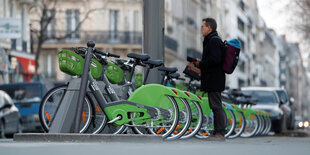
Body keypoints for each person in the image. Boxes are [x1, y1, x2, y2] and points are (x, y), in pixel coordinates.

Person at [194, 18, 226, 140]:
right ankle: (217, 131)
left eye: (203, 26)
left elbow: (215, 59)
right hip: (213, 78)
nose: (201, 29)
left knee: (216, 106)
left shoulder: (214, 41)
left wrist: (201, 64)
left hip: (215, 78)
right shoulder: (212, 40)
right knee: (214, 105)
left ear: (209, 28)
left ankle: (220, 132)